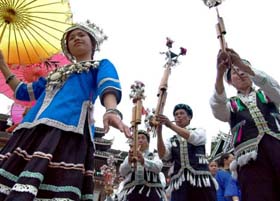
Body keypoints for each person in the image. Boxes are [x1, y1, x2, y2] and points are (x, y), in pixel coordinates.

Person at [0, 21, 131, 200]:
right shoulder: (55, 74)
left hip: (68, 131)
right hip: (31, 130)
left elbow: (107, 85)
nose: (76, 38)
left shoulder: (99, 65)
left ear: (93, 43)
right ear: (67, 47)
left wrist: (111, 111)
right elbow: (24, 92)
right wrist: (3, 65)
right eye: (71, 37)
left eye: (81, 35)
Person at [210, 48, 280, 201]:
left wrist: (241, 64)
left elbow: (274, 88)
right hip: (250, 160)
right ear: (229, 81)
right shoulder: (231, 105)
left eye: (243, 70)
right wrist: (219, 73)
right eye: (235, 72)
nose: (240, 73)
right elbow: (218, 110)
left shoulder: (269, 93)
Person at [156, 103, 217, 201]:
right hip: (180, 182)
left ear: (189, 117)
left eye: (181, 113)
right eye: (176, 114)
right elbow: (163, 155)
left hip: (200, 180)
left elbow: (193, 138)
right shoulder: (171, 140)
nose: (178, 116)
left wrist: (170, 125)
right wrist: (159, 132)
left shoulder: (199, 130)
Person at [118, 130, 166, 201]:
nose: (140, 140)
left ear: (148, 142)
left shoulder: (155, 155)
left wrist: (143, 161)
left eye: (143, 138)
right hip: (132, 192)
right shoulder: (129, 156)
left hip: (151, 192)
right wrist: (128, 161)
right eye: (138, 138)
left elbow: (158, 167)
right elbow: (122, 172)